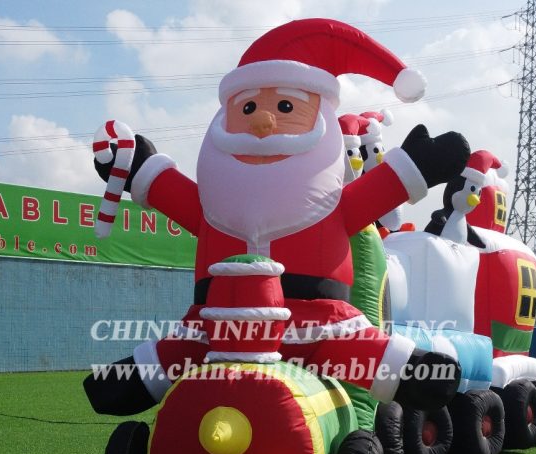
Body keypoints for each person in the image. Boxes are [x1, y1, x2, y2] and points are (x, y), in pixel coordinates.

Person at [85, 18, 470, 417]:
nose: (262, 121)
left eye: (286, 107)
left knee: (354, 350)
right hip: (219, 326)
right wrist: (137, 168)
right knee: (181, 351)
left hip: (319, 325)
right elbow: (172, 193)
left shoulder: (331, 205)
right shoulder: (213, 207)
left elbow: (380, 190)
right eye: (248, 107)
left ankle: (407, 373)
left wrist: (419, 165)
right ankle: (137, 381)